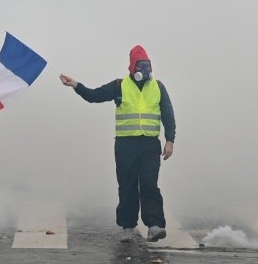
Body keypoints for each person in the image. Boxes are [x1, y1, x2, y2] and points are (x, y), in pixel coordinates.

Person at [59, 45, 176, 242]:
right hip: (125, 146)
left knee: (149, 185)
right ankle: (128, 227)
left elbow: (168, 114)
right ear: (132, 67)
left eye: (147, 66)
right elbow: (94, 96)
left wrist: (170, 140)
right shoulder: (120, 85)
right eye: (141, 66)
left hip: (149, 144)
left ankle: (154, 226)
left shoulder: (158, 87)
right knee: (127, 185)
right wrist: (76, 85)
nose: (145, 71)